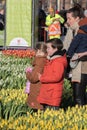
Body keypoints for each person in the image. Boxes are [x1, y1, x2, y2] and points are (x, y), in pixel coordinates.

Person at [65, 5, 87, 106]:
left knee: (78, 96)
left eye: (69, 18)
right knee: (78, 95)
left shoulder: (83, 29)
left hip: (83, 66)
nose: (67, 21)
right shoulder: (72, 30)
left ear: (77, 18)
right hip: (75, 66)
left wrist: (83, 53)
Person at [37, 38, 67, 110]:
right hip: (48, 92)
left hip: (53, 93)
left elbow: (56, 77)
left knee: (52, 116)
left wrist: (42, 78)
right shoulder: (51, 59)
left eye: (48, 48)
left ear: (55, 48)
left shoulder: (58, 61)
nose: (47, 50)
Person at [26, 43, 47, 111]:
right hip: (41, 88)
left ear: (38, 51)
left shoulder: (39, 62)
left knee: (37, 109)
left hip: (37, 89)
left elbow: (34, 78)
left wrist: (28, 73)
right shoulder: (45, 60)